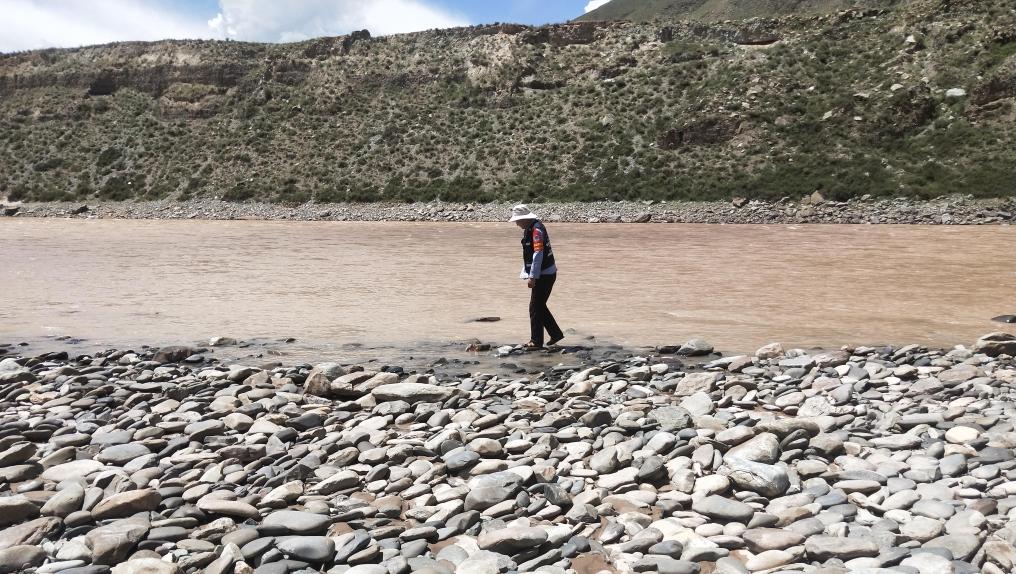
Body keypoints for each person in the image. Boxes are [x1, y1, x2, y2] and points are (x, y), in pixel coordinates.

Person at [509, 204, 564, 349]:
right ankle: (556, 334)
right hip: (546, 272)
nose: (516, 223)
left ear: (524, 219)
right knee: (539, 306)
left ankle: (536, 341)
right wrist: (526, 273)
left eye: (517, 220)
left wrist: (532, 277)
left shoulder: (536, 230)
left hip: (544, 275)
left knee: (534, 307)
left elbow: (538, 254)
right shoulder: (531, 228)